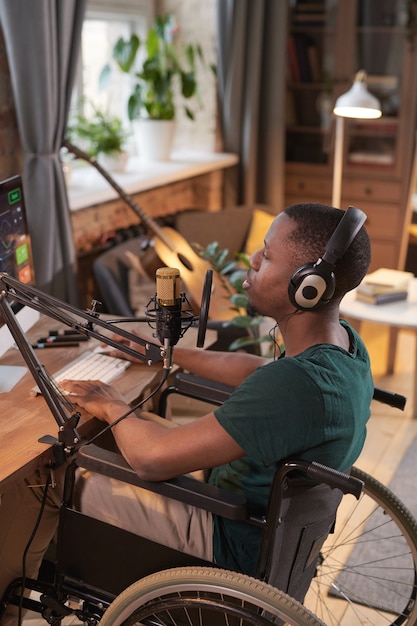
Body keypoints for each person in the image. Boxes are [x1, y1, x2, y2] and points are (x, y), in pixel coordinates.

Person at [0, 202, 373, 622]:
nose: (251, 261)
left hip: (225, 538)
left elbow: (151, 460)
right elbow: (259, 369)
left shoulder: (296, 388)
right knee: (98, 435)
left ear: (308, 286)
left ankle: (9, 608)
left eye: (266, 256)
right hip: (259, 519)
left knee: (47, 472)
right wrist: (167, 353)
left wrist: (111, 402)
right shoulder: (341, 347)